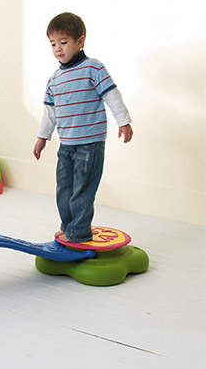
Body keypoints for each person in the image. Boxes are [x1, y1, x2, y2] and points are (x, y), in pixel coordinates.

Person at [32, 12, 133, 244]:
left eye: (63, 42)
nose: (58, 48)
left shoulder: (93, 68)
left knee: (83, 189)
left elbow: (112, 95)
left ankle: (78, 232)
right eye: (53, 44)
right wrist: (42, 138)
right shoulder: (54, 79)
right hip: (66, 144)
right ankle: (68, 226)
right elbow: (50, 113)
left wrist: (124, 121)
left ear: (80, 41)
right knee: (64, 189)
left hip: (90, 143)